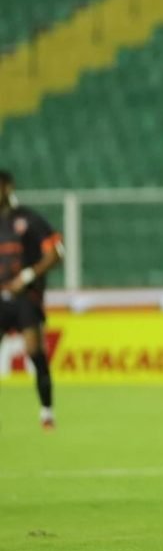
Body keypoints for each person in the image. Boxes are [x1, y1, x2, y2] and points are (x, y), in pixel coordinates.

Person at [0, 170, 64, 430]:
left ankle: (46, 410)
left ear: (7, 188)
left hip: (26, 297)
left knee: (34, 351)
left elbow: (56, 252)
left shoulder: (28, 219)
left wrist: (27, 276)